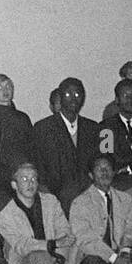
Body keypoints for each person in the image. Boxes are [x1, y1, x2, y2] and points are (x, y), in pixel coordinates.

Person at [33, 78, 101, 214]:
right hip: (56, 194)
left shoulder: (93, 127)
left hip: (88, 193)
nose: (73, 99)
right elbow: (38, 163)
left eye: (77, 95)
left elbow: (101, 160)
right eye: (68, 94)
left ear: (83, 98)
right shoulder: (43, 127)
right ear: (60, 97)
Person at [0, 75, 33, 185]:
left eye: (8, 86)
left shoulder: (22, 117)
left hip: (20, 172)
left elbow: (31, 147)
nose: (5, 90)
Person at [99, 79, 132, 189]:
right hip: (120, 181)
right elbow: (106, 157)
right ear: (117, 100)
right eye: (124, 95)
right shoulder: (106, 128)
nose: (129, 99)